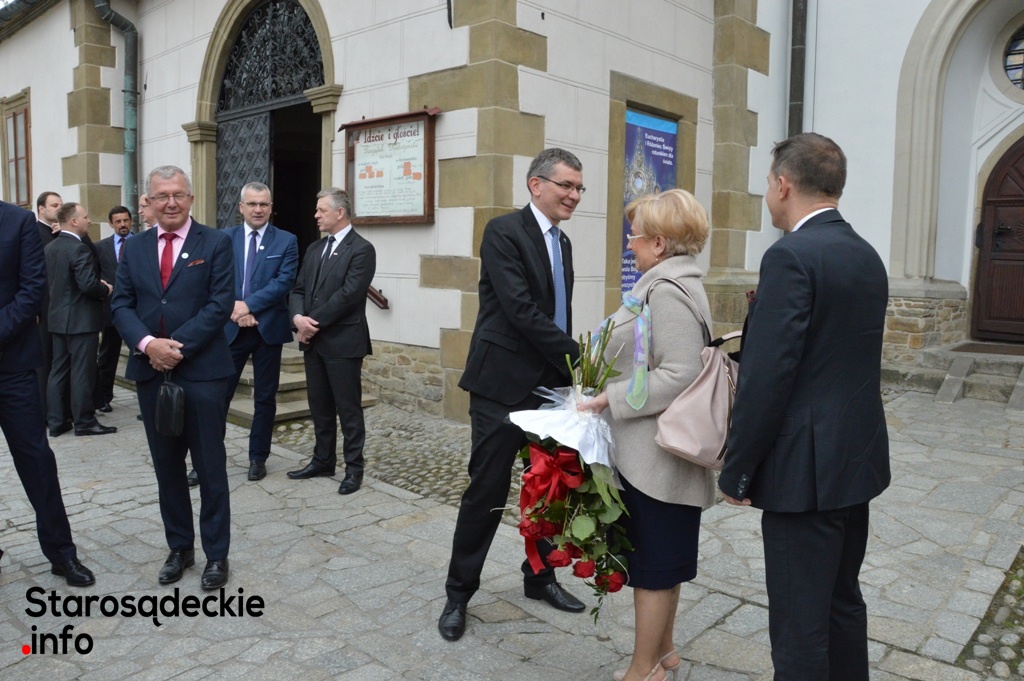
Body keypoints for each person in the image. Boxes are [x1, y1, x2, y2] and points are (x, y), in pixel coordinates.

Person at [718, 132, 890, 681]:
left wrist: (738, 469)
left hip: (804, 474)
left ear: (784, 185)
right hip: (854, 462)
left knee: (799, 628)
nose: (768, 192)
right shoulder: (865, 253)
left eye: (769, 182)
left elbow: (769, 378)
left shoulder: (790, 256)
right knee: (842, 603)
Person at [438, 148, 586, 642]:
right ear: (536, 184)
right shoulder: (503, 232)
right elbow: (521, 310)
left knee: (548, 489)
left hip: (549, 387)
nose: (574, 195)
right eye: (566, 185)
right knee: (487, 490)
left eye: (579, 188)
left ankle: (539, 577)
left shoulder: (563, 243)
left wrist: (567, 373)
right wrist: (578, 356)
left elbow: (557, 311)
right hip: (501, 386)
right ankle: (458, 594)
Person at [578, 189, 715, 681]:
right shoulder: (674, 281)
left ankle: (643, 669)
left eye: (634, 236)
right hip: (658, 452)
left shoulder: (666, 290)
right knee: (666, 562)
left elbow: (680, 374)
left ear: (658, 243)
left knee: (654, 568)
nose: (629, 244)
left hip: (657, 456)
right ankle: (665, 651)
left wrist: (607, 399)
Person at [111, 165, 235, 590]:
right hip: (152, 374)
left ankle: (216, 554)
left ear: (191, 198)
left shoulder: (215, 242)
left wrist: (174, 347)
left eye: (178, 194)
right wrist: (149, 345)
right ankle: (180, 548)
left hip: (203, 373)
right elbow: (121, 304)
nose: (171, 202)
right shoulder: (134, 247)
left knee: (210, 467)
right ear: (148, 202)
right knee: (167, 468)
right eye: (162, 195)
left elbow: (220, 304)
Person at [0, 199, 96, 586]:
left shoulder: (17, 221)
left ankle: (61, 553)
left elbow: (33, 289)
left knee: (37, 461)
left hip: (13, 366)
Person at [287, 188, 375, 495]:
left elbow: (349, 295)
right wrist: (297, 318)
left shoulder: (361, 249)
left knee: (348, 410)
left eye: (321, 210)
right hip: (313, 342)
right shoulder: (315, 248)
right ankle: (322, 460)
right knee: (320, 407)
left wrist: (311, 324)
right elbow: (298, 289)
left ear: (340, 212)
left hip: (343, 342)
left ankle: (354, 469)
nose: (316, 215)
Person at [216, 181, 298, 481]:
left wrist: (248, 306)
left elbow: (283, 282)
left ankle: (258, 458)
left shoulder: (286, 240)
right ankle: (208, 460)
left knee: (265, 398)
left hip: (267, 330)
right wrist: (235, 310)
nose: (258, 209)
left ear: (271, 207)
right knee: (218, 397)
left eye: (264, 204)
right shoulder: (224, 239)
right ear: (241, 207)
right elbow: (215, 280)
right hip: (230, 329)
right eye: (252, 204)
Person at [44, 202, 116, 437]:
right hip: (81, 321)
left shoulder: (51, 247)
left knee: (59, 370)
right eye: (85, 217)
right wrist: (105, 288)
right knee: (82, 372)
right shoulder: (79, 249)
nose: (89, 220)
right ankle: (84, 421)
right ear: (74, 221)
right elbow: (87, 285)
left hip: (57, 319)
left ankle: (56, 421)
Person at [94, 205, 133, 413]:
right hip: (110, 311)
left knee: (142, 355)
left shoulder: (142, 243)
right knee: (108, 356)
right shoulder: (101, 247)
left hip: (137, 311)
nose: (122, 225)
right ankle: (104, 398)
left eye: (125, 220)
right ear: (111, 224)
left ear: (131, 221)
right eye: (118, 221)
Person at [35, 191, 63, 407]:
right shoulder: (34, 233)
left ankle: (60, 409)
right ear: (41, 209)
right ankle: (45, 410)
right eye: (54, 205)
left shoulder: (60, 233)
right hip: (43, 307)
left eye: (61, 205)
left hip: (61, 307)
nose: (59, 209)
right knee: (45, 359)